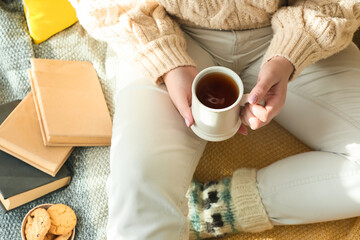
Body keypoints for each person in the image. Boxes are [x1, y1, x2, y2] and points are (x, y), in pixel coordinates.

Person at [69, 0, 360, 239]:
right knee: (137, 195)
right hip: (166, 30)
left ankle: (216, 207)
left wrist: (292, 53)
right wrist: (166, 61)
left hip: (296, 27)